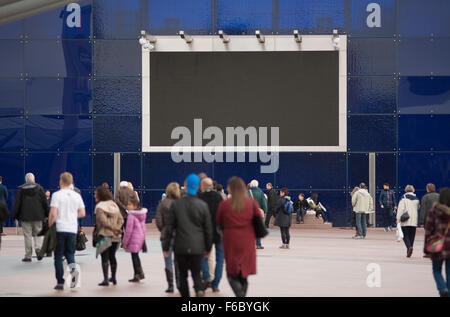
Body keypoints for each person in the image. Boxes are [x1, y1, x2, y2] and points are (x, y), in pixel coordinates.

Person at [162, 174, 212, 297]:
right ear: (199, 186)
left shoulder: (176, 205)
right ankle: (199, 289)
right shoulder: (202, 205)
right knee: (196, 273)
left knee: (183, 275)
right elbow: (208, 229)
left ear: (185, 185)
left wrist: (166, 246)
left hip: (181, 246)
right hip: (197, 246)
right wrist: (208, 248)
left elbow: (169, 227)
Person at [216, 177, 260, 297]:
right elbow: (259, 226)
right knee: (244, 274)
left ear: (231, 188)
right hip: (247, 242)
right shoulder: (251, 203)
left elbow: (219, 223)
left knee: (232, 273)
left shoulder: (224, 205)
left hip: (231, 242)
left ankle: (240, 295)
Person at [48, 172, 85, 290]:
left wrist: (50, 224)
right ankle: (74, 279)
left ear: (61, 181)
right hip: (72, 228)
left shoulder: (56, 195)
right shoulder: (77, 196)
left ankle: (60, 281)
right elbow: (82, 213)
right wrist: (72, 217)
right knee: (70, 254)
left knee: (58, 256)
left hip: (60, 228)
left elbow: (53, 213)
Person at [13, 173, 49, 262]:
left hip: (25, 217)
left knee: (27, 235)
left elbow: (17, 204)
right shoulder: (39, 188)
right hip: (38, 215)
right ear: (34, 179)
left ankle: (28, 256)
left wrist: (15, 216)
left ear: (26, 180)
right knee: (38, 233)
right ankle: (38, 249)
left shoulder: (21, 189)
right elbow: (45, 202)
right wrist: (47, 214)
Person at [198, 177, 224, 292]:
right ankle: (215, 284)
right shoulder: (218, 197)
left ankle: (206, 277)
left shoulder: (200, 198)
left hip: (204, 233)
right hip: (218, 232)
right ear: (212, 186)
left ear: (203, 186)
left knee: (204, 256)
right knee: (220, 259)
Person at [94, 186, 124, 286]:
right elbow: (121, 219)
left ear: (100, 195)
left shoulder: (100, 207)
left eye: (96, 194)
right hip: (116, 236)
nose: (94, 196)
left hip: (104, 236)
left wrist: (111, 228)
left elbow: (102, 221)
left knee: (104, 257)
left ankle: (106, 279)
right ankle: (114, 278)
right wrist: (116, 229)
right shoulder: (114, 205)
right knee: (112, 256)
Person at [155, 182, 181, 293]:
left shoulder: (162, 203)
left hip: (166, 236)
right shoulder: (181, 203)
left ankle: (170, 285)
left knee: (168, 260)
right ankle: (179, 284)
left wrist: (164, 230)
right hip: (179, 236)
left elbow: (158, 220)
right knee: (178, 261)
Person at [424, 187, 450, 297]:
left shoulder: (434, 212)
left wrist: (426, 250)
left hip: (437, 245)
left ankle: (443, 288)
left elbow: (428, 231)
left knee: (436, 270)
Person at [123, 193, 147, 283]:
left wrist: (125, 242)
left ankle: (137, 274)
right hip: (139, 238)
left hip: (133, 238)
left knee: (134, 257)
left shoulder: (131, 216)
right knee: (136, 256)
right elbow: (143, 228)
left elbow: (128, 230)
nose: (127, 206)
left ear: (135, 206)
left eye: (129, 205)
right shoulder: (141, 215)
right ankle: (139, 273)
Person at [397, 185, 420, 258]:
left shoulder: (403, 198)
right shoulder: (416, 199)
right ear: (413, 190)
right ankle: (410, 248)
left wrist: (398, 218)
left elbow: (401, 209)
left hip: (405, 219)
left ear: (406, 190)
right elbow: (418, 207)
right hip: (414, 220)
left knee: (405, 235)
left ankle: (409, 247)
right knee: (412, 235)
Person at [248, 180, 267, 249]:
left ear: (251, 185)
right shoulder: (261, 192)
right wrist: (264, 211)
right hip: (258, 213)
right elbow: (264, 203)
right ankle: (258, 244)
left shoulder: (248, 192)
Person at [114, 181, 133, 245]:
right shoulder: (130, 192)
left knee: (121, 228)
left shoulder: (118, 192)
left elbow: (117, 201)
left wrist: (123, 207)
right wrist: (127, 207)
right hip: (128, 213)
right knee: (127, 228)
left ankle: (123, 241)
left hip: (120, 214)